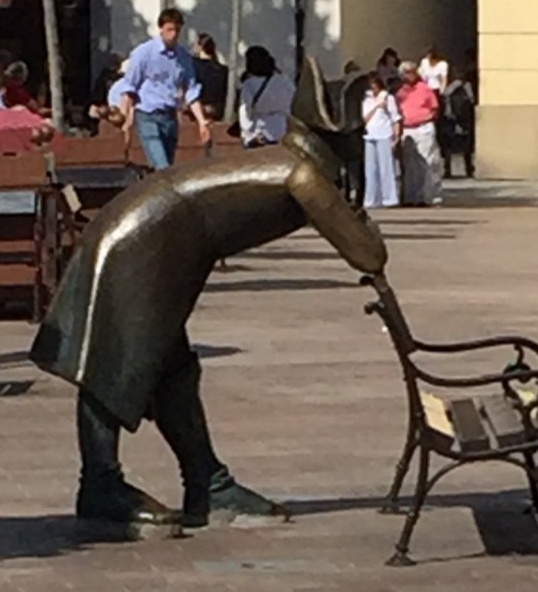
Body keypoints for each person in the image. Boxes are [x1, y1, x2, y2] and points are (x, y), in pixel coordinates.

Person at [30, 58, 387, 529]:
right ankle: (101, 484)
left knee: (171, 369)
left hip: (160, 231)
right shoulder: (302, 175)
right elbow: (369, 255)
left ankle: (206, 482)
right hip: (150, 235)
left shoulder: (293, 162)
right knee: (115, 362)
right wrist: (357, 215)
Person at [119, 8, 209, 170]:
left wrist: (202, 122)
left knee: (166, 169)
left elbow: (191, 89)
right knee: (163, 167)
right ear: (161, 29)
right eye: (169, 30)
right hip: (148, 115)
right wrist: (124, 119)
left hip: (170, 117)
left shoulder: (183, 57)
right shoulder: (144, 53)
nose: (173, 34)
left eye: (177, 30)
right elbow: (130, 87)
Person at [396, 61, 442, 207]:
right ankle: (410, 197)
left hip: (423, 128)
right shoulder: (400, 92)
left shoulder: (425, 89)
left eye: (410, 72)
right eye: (405, 73)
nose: (408, 75)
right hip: (407, 129)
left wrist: (427, 118)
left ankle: (429, 197)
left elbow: (435, 109)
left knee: (428, 163)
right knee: (409, 165)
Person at [238, 46, 295, 148]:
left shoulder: (249, 84)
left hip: (260, 133)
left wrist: (247, 135)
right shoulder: (285, 81)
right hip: (283, 130)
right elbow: (293, 101)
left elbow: (245, 110)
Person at [362, 73, 401, 208]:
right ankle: (371, 198)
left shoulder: (388, 98)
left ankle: (389, 198)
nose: (374, 90)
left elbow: (395, 118)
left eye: (376, 87)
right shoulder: (366, 100)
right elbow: (364, 118)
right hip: (369, 134)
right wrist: (376, 106)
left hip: (384, 134)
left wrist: (396, 134)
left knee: (386, 167)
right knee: (370, 169)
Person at [441, 66, 476, 178]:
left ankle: (449, 169)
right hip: (462, 118)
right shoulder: (465, 86)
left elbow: (444, 96)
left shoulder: (450, 88)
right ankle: (467, 169)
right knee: (464, 145)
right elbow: (471, 99)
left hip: (454, 118)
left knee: (450, 145)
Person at [192, 33, 229, 121]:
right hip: (217, 111)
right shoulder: (223, 70)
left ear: (199, 46)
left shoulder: (192, 66)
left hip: (196, 111)